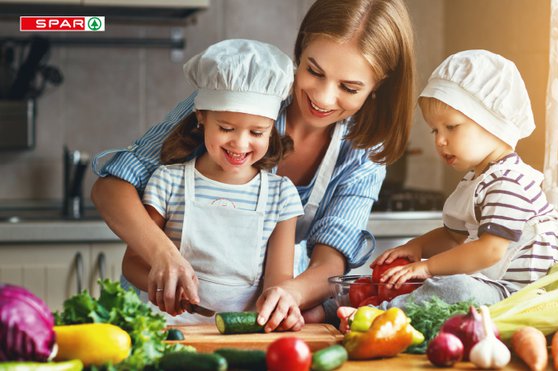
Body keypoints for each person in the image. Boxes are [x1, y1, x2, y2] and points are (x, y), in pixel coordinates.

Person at [91, 0, 415, 331]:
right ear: (300, 50)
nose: (323, 97)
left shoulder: (363, 150)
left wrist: (289, 294)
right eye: (314, 71)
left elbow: (330, 259)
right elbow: (111, 187)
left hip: (247, 319)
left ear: (378, 85)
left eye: (349, 87)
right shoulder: (237, 92)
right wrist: (163, 255)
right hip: (157, 314)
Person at [120, 39, 304, 325]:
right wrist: (164, 287)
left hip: (240, 335)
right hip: (170, 329)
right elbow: (132, 263)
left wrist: (277, 309)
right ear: (201, 117)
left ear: (272, 129)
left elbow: (278, 283)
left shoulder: (281, 195)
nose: (240, 143)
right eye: (226, 128)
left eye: (257, 132)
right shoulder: (168, 182)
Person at [371, 50, 558, 308]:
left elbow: (490, 250)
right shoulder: (479, 179)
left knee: (456, 287)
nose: (439, 140)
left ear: (492, 122)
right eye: (435, 130)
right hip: (491, 287)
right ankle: (360, 303)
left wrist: (428, 268)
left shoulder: (510, 182)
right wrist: (417, 246)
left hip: (518, 296)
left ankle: (381, 314)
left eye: (451, 127)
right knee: (441, 283)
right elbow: (453, 238)